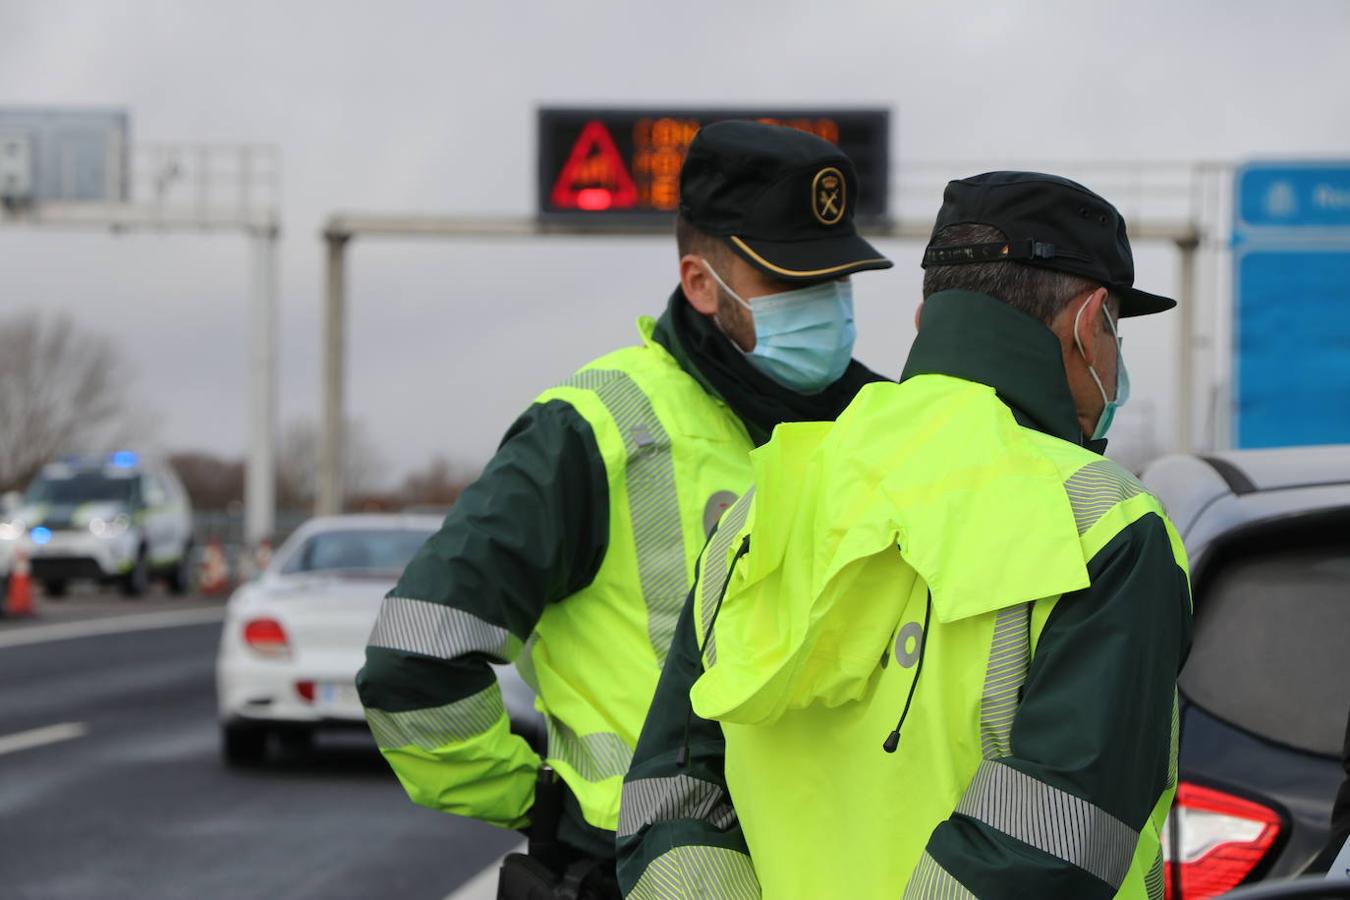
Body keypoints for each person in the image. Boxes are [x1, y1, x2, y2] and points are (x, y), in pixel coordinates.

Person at [617, 172, 1194, 900]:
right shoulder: (1104, 521)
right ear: (1090, 323)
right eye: (1118, 333)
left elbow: (670, 797)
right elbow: (1052, 844)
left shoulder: (764, 506)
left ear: (927, 323)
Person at [355, 120, 893, 898]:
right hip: (636, 873)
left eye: (837, 279)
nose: (826, 304)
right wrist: (541, 806)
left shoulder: (886, 427)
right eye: (791, 281)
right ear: (702, 283)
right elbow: (415, 658)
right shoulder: (594, 430)